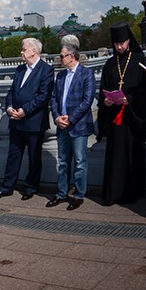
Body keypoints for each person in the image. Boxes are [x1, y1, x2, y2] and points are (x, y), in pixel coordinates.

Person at [97, 23, 146, 205]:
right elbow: (103, 90)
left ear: (129, 41)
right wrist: (105, 101)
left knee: (132, 154)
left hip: (132, 118)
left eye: (122, 43)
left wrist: (130, 98)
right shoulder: (109, 64)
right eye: (116, 44)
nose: (119, 47)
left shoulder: (139, 59)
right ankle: (114, 194)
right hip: (115, 117)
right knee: (116, 156)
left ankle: (131, 193)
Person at [0, 38, 53, 201]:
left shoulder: (46, 70)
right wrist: (10, 107)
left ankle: (31, 187)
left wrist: (24, 111)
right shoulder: (20, 69)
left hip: (33, 122)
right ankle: (7, 187)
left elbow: (43, 96)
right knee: (13, 155)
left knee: (34, 157)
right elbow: (11, 92)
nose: (21, 52)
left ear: (34, 51)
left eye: (24, 49)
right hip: (16, 120)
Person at [47, 41, 96, 210]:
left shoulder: (86, 74)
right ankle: (61, 193)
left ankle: (78, 195)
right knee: (63, 162)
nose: (59, 59)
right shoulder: (60, 76)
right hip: (62, 125)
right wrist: (57, 118)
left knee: (80, 161)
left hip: (78, 126)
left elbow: (87, 101)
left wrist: (71, 118)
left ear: (71, 56)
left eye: (61, 56)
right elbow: (53, 99)